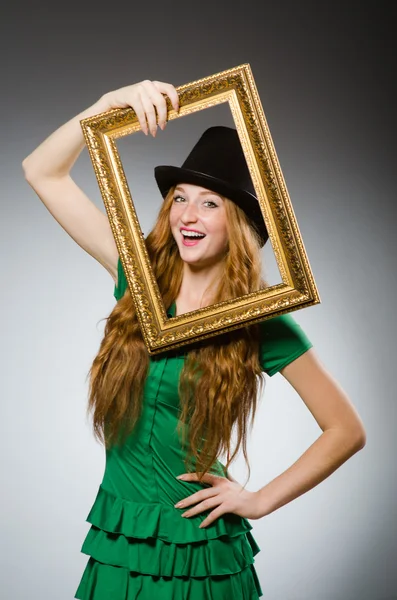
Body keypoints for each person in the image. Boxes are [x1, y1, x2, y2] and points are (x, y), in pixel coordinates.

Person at [22, 80, 366, 600]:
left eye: (209, 204)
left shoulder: (260, 321)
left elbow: (345, 430)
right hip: (120, 538)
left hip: (200, 551)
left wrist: (259, 500)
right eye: (179, 198)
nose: (186, 215)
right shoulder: (137, 277)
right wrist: (102, 109)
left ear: (239, 223)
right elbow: (41, 172)